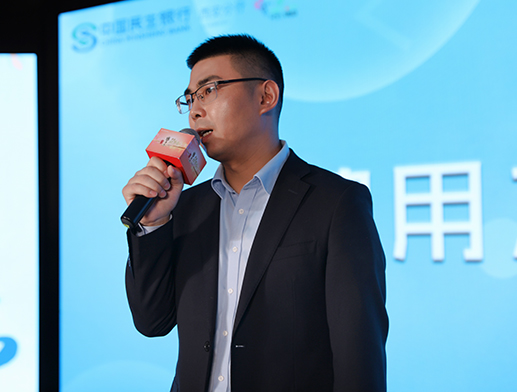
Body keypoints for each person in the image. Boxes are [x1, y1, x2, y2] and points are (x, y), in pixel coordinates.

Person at [122, 34, 388, 392]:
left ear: (266, 96)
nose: (195, 110)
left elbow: (358, 353)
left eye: (209, 90)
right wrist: (153, 223)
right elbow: (152, 321)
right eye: (190, 98)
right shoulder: (185, 206)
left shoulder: (336, 202)